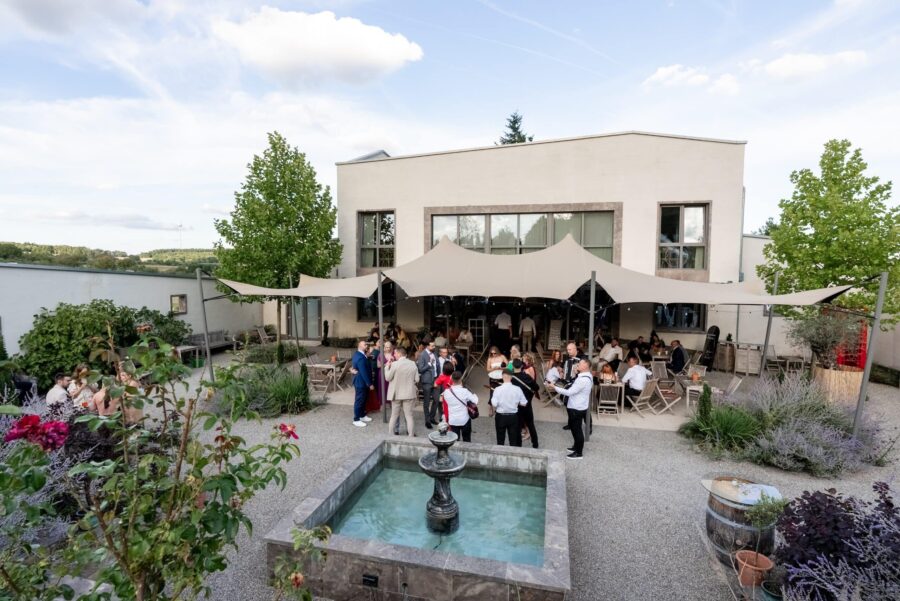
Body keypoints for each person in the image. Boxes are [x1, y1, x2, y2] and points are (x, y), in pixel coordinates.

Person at [547, 358, 592, 459]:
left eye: (580, 364)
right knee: (575, 428)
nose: (577, 365)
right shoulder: (586, 376)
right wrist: (577, 373)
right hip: (579, 405)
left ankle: (579, 452)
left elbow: (569, 392)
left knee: (577, 430)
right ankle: (576, 447)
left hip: (576, 407)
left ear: (585, 366)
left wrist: (555, 387)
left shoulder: (582, 380)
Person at [385, 347, 418, 437]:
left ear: (399, 354)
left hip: (396, 394)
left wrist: (387, 367)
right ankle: (411, 435)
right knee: (409, 416)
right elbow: (417, 379)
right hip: (409, 394)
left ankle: (391, 435)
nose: (394, 355)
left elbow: (387, 378)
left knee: (394, 415)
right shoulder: (413, 363)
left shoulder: (394, 364)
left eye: (395, 353)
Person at [490, 368, 527, 446]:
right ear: (511, 377)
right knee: (513, 441)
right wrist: (516, 403)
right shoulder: (517, 389)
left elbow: (494, 404)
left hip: (500, 417)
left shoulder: (497, 389)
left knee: (500, 440)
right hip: (513, 417)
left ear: (502, 376)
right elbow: (524, 403)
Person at [511, 359, 539, 448]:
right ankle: (535, 444)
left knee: (517, 426)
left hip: (517, 406)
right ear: (522, 366)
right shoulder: (527, 377)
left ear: (513, 367)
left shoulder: (511, 379)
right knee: (531, 425)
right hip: (527, 405)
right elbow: (536, 387)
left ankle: (518, 446)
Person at [442, 371, 477, 442]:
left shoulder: (446, 392)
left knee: (454, 441)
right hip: (465, 419)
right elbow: (476, 401)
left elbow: (442, 399)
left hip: (453, 420)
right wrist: (472, 393)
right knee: (467, 440)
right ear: (461, 379)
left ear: (451, 379)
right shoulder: (465, 391)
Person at [350, 340, 374, 427]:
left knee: (364, 399)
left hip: (362, 382)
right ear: (359, 346)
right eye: (365, 344)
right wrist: (369, 384)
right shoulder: (359, 356)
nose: (366, 345)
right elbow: (363, 371)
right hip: (361, 382)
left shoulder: (361, 354)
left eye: (367, 344)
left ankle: (362, 415)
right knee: (359, 400)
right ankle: (356, 419)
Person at [416, 340, 439, 428]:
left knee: (436, 400)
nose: (434, 347)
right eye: (432, 346)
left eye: (434, 345)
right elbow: (420, 369)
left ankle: (432, 417)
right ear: (427, 346)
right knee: (426, 402)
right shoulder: (422, 355)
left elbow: (437, 365)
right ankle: (427, 421)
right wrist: (429, 364)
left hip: (435, 380)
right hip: (427, 381)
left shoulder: (434, 353)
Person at [486, 346, 507, 418]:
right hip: (493, 377)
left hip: (501, 377)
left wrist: (502, 368)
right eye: (492, 354)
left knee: (502, 392)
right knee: (492, 392)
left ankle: (501, 407)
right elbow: (488, 369)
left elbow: (508, 366)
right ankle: (490, 407)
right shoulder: (490, 359)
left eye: (494, 353)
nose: (493, 355)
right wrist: (494, 368)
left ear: (497, 352)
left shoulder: (502, 357)